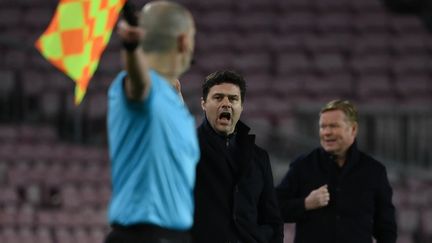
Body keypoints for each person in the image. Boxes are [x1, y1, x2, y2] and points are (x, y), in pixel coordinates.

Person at [105, 1, 199, 243]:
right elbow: (138, 84)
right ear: (183, 41)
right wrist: (131, 48)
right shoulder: (142, 88)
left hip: (177, 236)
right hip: (141, 236)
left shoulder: (174, 102)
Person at [276, 100, 397, 243]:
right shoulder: (303, 166)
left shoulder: (374, 171)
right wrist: (305, 204)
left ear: (353, 129)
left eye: (333, 126)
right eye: (323, 127)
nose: (326, 132)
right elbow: (273, 207)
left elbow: (386, 228)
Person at [192, 70, 283, 243]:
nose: (226, 104)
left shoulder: (259, 157)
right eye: (218, 97)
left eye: (233, 99)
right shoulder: (188, 149)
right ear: (203, 104)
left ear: (241, 106)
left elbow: (273, 219)